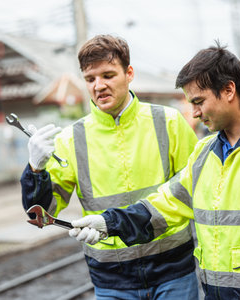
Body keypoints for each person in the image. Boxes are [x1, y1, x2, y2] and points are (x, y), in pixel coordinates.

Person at [72, 43, 240, 299]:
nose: (194, 113)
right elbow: (165, 205)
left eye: (199, 102)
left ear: (229, 90)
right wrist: (109, 222)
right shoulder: (205, 153)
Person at [20, 34, 199, 299]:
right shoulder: (71, 139)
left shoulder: (169, 123)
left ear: (129, 73)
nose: (99, 86)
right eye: (90, 79)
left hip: (172, 272)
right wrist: (35, 171)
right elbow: (42, 214)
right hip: (112, 280)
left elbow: (199, 190)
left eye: (108, 75)